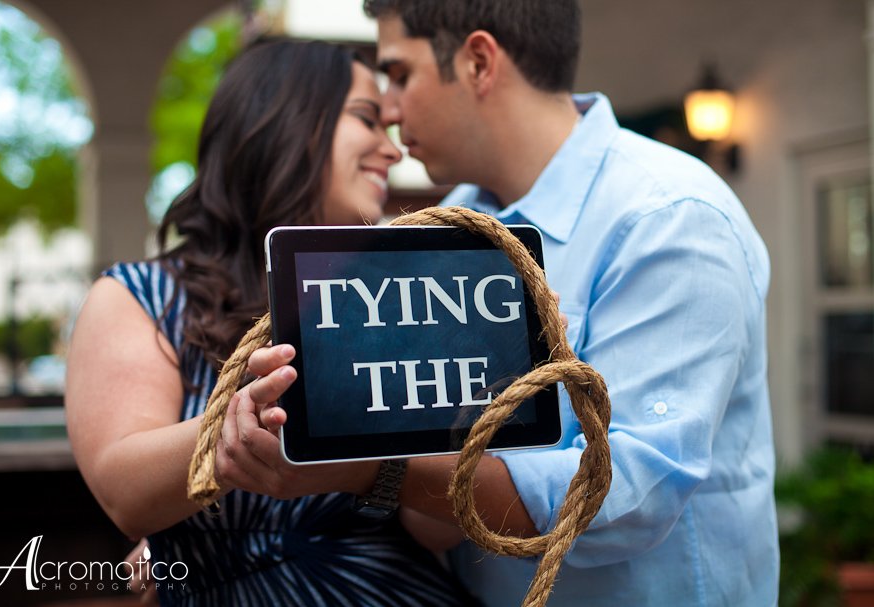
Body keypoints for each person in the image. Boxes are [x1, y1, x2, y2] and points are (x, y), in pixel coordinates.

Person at [226, 1, 780, 605]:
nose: (389, 109)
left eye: (401, 74)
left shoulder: (667, 216)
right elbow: (430, 511)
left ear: (479, 62)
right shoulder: (451, 222)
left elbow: (626, 500)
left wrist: (367, 466)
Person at [65, 38, 480, 606]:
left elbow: (435, 531)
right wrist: (241, 429)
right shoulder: (142, 298)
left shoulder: (393, 298)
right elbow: (126, 496)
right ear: (286, 120)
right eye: (366, 119)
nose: (391, 151)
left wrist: (456, 399)